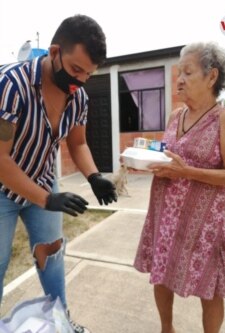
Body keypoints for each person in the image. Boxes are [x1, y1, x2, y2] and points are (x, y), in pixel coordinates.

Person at [0, 14, 117, 333]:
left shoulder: (78, 97)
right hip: (2, 187)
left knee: (52, 258)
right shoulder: (12, 85)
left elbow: (78, 143)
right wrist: (47, 199)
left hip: (42, 178)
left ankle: (62, 324)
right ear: (54, 52)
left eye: (88, 74)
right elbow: (0, 160)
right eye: (76, 69)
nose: (80, 80)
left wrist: (95, 177)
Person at [133, 42, 225, 333]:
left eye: (188, 72)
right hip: (166, 215)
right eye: (178, 72)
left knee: (209, 287)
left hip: (203, 221)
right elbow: (166, 155)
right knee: (161, 273)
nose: (179, 79)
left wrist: (187, 172)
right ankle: (166, 329)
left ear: (211, 77)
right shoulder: (175, 116)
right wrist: (145, 163)